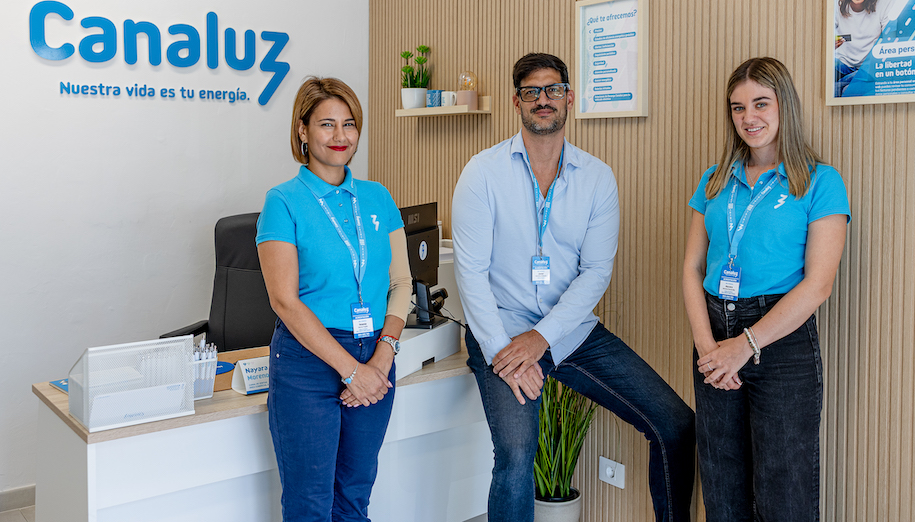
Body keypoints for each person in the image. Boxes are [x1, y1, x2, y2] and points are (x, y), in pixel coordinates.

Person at [452, 52, 696, 522]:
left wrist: (542, 337)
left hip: (570, 332)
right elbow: (471, 275)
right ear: (516, 103)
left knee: (675, 423)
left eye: (551, 90)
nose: (542, 100)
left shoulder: (598, 178)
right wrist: (509, 349)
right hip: (500, 332)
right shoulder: (482, 174)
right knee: (518, 456)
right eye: (530, 92)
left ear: (569, 98)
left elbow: (596, 272)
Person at [682, 57, 850, 521]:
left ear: (784, 106)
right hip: (712, 336)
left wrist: (745, 346)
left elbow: (819, 285)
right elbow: (692, 267)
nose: (748, 118)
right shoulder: (714, 179)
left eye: (760, 103)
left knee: (784, 490)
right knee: (722, 486)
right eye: (737, 108)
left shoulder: (819, 181)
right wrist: (708, 348)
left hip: (781, 344)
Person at [256, 76, 413, 521]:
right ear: (302, 131)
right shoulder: (282, 202)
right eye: (327, 124)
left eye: (349, 124)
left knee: (354, 498)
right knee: (310, 505)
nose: (341, 136)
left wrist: (380, 360)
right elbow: (284, 301)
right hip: (309, 362)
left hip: (375, 353)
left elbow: (400, 283)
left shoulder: (377, 196)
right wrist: (351, 372)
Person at [834, 0, 891, 97]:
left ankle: (846, 83)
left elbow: (889, 41)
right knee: (833, 88)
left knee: (844, 91)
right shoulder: (836, 6)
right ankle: (846, 82)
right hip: (841, 64)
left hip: (869, 66)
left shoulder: (885, 2)